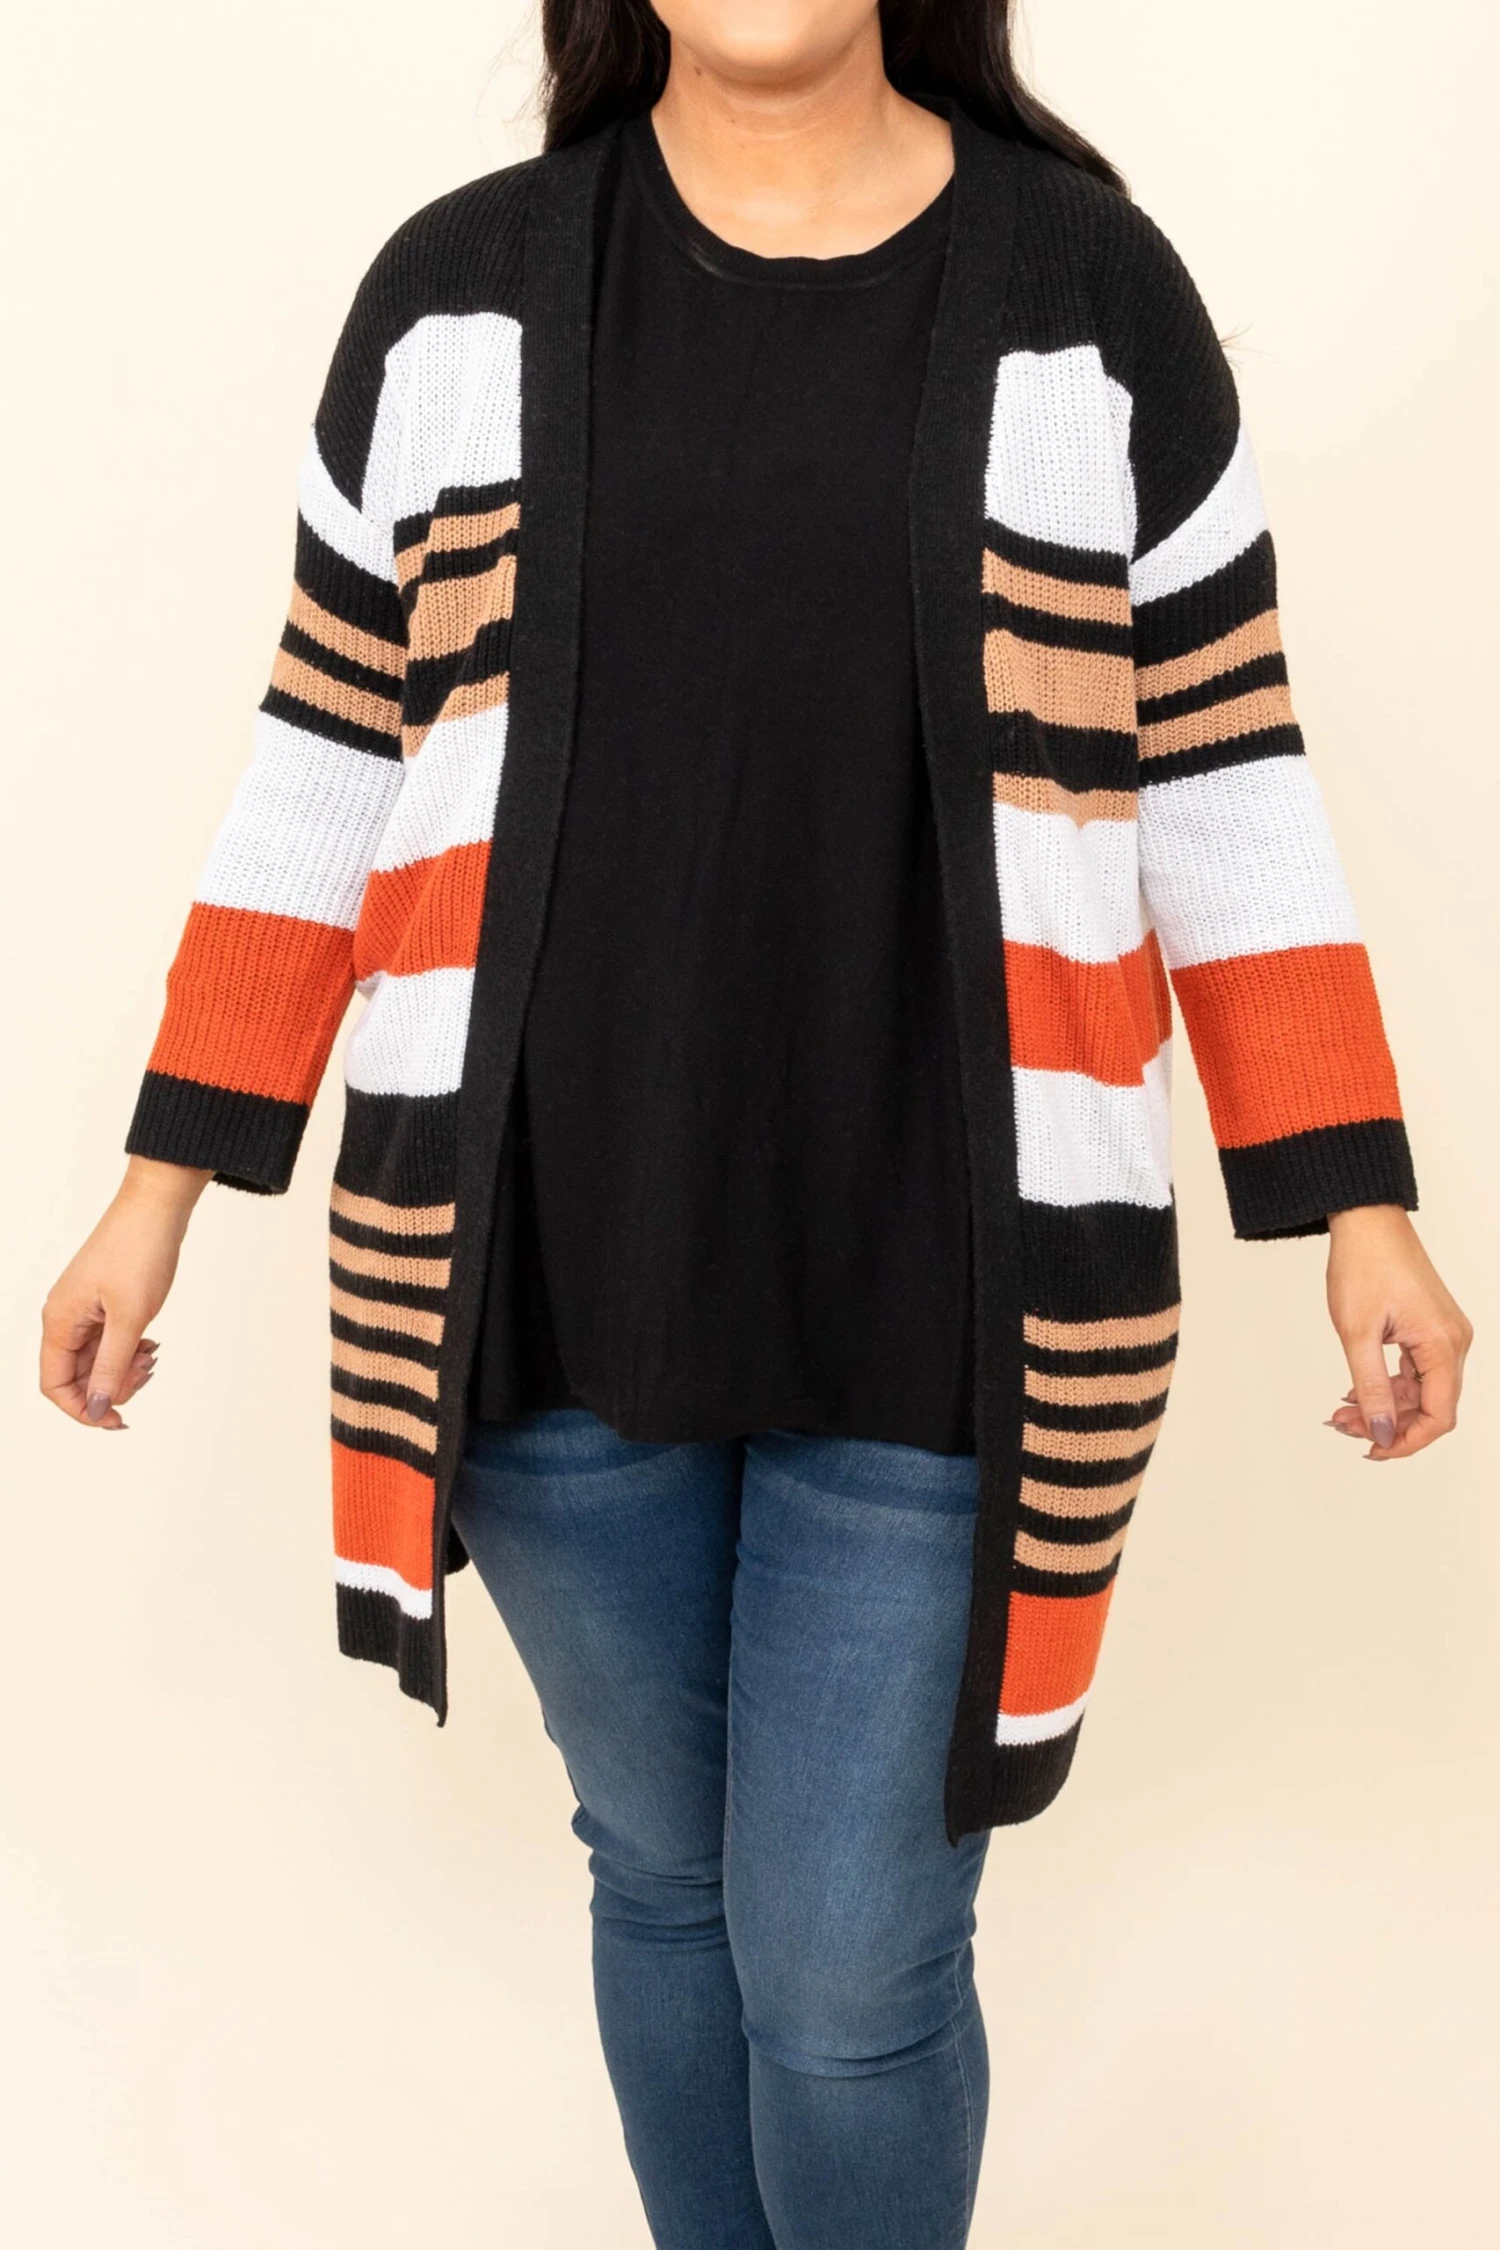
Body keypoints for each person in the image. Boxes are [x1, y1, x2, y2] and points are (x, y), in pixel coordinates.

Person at [38, 3, 1471, 2244]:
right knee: (667, 1880)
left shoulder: (1087, 297)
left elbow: (1221, 766)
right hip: (542, 1269)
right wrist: (159, 1193)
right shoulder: (454, 300)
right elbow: (326, 756)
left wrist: (1354, 1197)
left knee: (849, 1970)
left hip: (956, 1286)